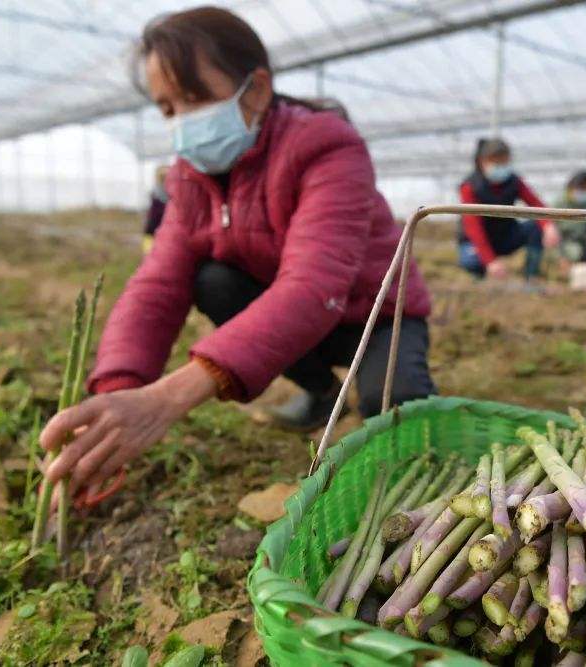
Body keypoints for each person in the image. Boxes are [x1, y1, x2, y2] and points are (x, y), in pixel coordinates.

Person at [37, 7, 436, 504]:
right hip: (297, 324)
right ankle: (320, 393)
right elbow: (157, 287)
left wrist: (164, 400)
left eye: (195, 98)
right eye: (167, 108)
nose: (182, 121)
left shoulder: (327, 147)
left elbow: (313, 287)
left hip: (374, 317)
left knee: (395, 406)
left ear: (257, 89)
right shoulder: (190, 179)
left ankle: (390, 408)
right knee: (215, 282)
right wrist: (116, 395)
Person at [457, 138, 559, 284]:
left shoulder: (514, 182)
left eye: (504, 161)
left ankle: (531, 277)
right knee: (471, 260)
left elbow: (536, 204)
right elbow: (473, 227)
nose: (501, 166)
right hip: (477, 242)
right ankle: (478, 281)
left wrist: (548, 225)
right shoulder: (470, 187)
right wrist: (490, 260)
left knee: (535, 228)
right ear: (482, 162)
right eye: (496, 162)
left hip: (504, 236)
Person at [141, 165, 170, 253]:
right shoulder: (155, 193)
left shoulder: (172, 194)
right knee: (151, 254)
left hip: (162, 231)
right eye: (163, 176)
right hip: (153, 230)